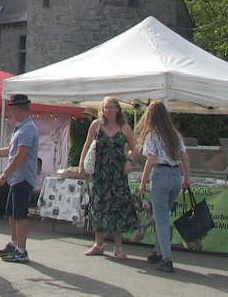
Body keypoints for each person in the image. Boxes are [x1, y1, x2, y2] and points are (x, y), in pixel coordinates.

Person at [78, 96, 139, 259]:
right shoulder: (96, 125)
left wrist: (129, 160)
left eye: (111, 107)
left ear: (117, 109)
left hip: (117, 173)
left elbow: (134, 149)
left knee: (117, 207)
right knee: (98, 206)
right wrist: (81, 164)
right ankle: (98, 244)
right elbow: (87, 144)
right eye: (105, 107)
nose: (107, 110)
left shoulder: (124, 127)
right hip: (100, 173)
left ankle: (118, 247)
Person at [135, 100, 192, 273]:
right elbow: (186, 157)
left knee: (161, 219)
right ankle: (158, 251)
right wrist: (186, 179)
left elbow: (150, 160)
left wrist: (143, 182)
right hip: (175, 175)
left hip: (161, 175)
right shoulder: (175, 135)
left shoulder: (153, 135)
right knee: (164, 214)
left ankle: (167, 258)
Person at [0, 94, 40, 264]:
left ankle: (22, 250)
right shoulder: (21, 127)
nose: (11, 112)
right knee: (12, 214)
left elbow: (20, 156)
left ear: (19, 109)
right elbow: (11, 151)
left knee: (20, 215)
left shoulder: (27, 129)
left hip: (22, 178)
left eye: (12, 109)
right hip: (16, 178)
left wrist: (4, 174)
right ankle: (14, 244)